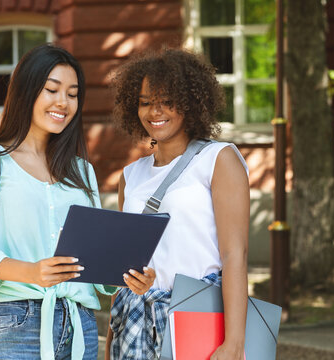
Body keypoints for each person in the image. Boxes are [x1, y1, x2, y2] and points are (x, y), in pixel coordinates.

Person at [0, 44, 153, 360]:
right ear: (27, 91)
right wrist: (32, 272)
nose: (63, 102)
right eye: (52, 90)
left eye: (73, 94)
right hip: (16, 323)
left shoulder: (81, 170)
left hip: (81, 323)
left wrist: (126, 277)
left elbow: (94, 259)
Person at [105, 48, 250, 360]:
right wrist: (109, 343)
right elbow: (125, 272)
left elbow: (234, 254)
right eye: (145, 102)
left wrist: (235, 344)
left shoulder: (218, 159)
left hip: (198, 321)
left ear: (190, 102)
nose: (155, 111)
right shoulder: (131, 176)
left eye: (166, 101)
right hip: (134, 325)